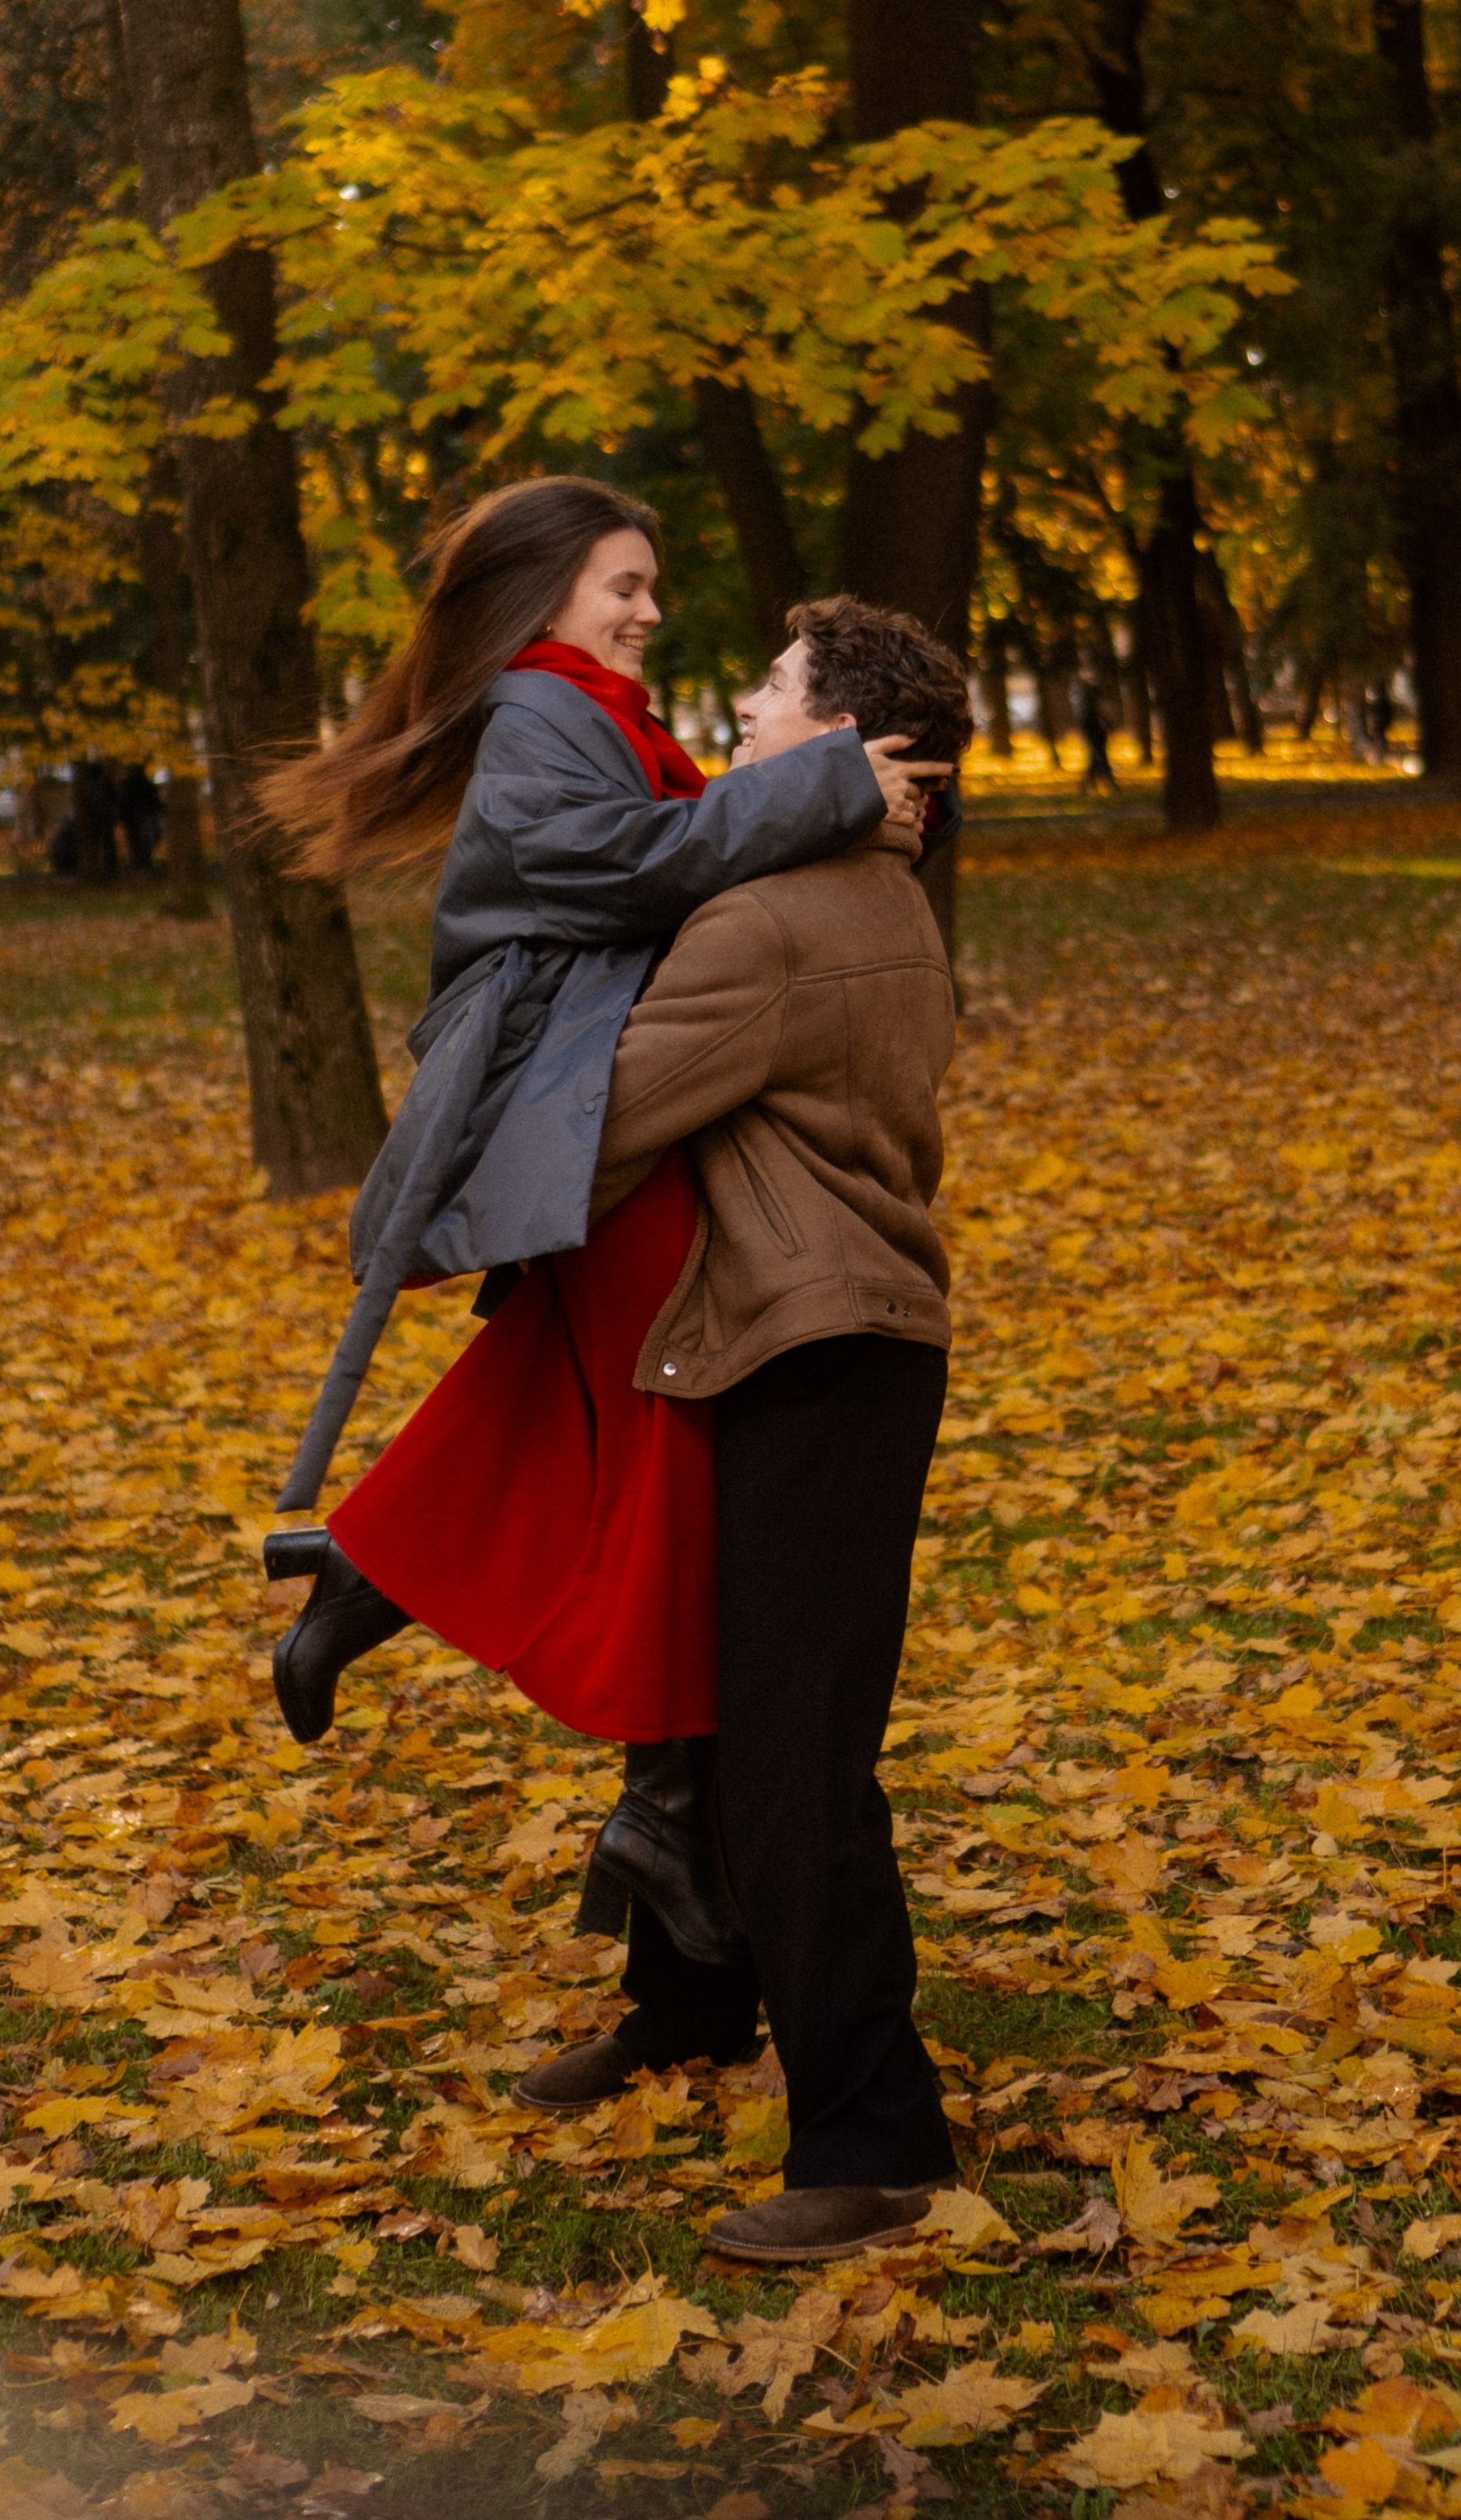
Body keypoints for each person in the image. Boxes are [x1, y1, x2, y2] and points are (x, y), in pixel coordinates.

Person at [255, 480, 948, 1968]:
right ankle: (658, 1803)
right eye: (617, 586)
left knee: (604, 1438)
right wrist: (830, 785)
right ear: (540, 595)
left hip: (609, 1104)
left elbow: (678, 848)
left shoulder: (595, 716)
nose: (646, 612)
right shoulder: (539, 713)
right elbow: (624, 867)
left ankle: (388, 1598)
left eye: (648, 586)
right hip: (587, 1105)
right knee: (664, 1471)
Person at [512, 596, 972, 2266]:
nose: (740, 715)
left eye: (770, 698)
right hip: (782, 1344)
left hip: (817, 1358)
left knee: (793, 1765)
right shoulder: (856, 889)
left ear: (835, 744)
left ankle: (876, 2141)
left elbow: (600, 1121)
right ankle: (689, 2009)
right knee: (705, 1705)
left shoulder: (776, 920)